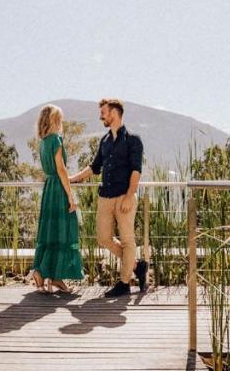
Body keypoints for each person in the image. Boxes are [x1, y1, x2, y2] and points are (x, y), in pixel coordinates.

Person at [70, 98, 147, 296]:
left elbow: (136, 171)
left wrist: (130, 196)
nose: (101, 116)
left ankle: (124, 283)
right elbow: (94, 167)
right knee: (103, 238)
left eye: (103, 112)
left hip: (124, 197)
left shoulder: (133, 140)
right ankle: (137, 266)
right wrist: (71, 179)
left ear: (114, 113)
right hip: (105, 197)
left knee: (128, 241)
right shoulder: (104, 141)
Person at [30, 104, 83, 293]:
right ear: (53, 120)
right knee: (64, 231)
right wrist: (70, 195)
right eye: (59, 118)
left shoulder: (43, 141)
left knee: (50, 231)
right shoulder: (56, 140)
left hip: (48, 189)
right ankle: (51, 275)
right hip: (58, 190)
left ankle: (46, 275)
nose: (61, 122)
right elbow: (61, 169)